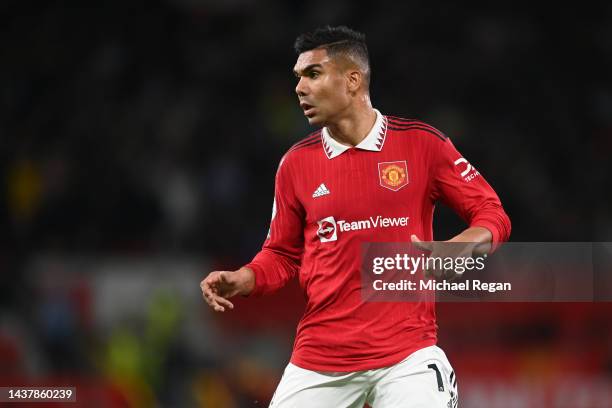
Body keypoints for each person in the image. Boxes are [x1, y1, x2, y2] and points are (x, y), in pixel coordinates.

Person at [201, 25, 511, 407]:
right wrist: (243, 277)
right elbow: (281, 255)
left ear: (352, 79)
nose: (299, 88)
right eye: (298, 77)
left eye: (313, 74)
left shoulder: (421, 144)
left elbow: (491, 213)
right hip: (320, 360)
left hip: (406, 356)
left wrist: (463, 245)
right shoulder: (295, 165)